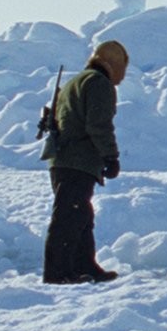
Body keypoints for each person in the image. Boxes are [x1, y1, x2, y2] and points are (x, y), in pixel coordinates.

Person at [41, 40, 128, 284]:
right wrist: (110, 156)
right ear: (114, 64)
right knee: (69, 218)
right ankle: (58, 273)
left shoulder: (75, 81)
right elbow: (98, 124)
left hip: (61, 159)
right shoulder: (99, 84)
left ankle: (84, 266)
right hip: (78, 161)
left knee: (81, 216)